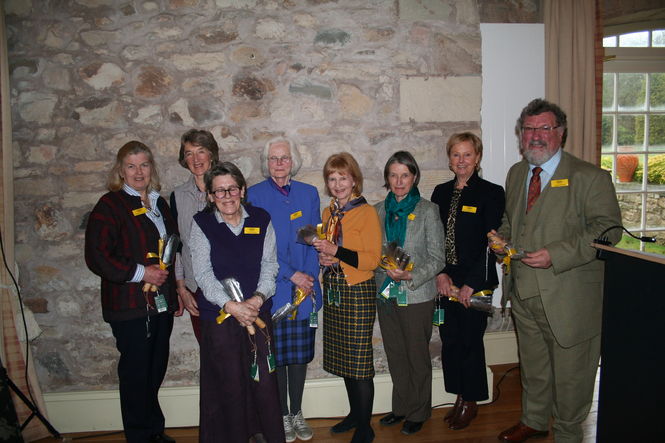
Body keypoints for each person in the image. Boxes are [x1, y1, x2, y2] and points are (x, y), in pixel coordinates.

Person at [494, 99, 621, 443]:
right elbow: (511, 220)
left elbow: (608, 229)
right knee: (534, 368)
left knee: (572, 377)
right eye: (529, 129)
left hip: (569, 298)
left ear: (560, 133)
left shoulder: (590, 177)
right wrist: (501, 238)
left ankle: (567, 434)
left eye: (544, 128)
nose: (535, 136)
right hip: (523, 293)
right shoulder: (517, 173)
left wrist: (556, 254)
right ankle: (534, 420)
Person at [85, 141, 179, 443]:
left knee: (154, 372)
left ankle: (154, 431)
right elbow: (97, 256)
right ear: (120, 171)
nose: (139, 172)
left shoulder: (159, 203)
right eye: (131, 165)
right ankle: (139, 437)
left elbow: (169, 251)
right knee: (136, 374)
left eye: (144, 164)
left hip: (160, 304)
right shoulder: (109, 205)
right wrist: (141, 272)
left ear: (152, 168)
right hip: (129, 307)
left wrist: (174, 292)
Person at [190, 162, 284, 443]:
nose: (227, 196)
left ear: (242, 190)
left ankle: (263, 434)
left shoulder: (261, 218)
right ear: (210, 196)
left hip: (257, 314)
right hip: (221, 319)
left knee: (263, 383)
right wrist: (232, 306)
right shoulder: (201, 224)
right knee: (228, 384)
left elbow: (270, 265)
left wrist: (256, 299)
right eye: (219, 191)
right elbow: (203, 275)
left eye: (232, 188)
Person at [247, 137, 322, 442]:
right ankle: (280, 415)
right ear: (266, 163)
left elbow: (317, 240)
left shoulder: (309, 193)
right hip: (276, 290)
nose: (279, 163)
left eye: (285, 158)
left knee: (300, 356)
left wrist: (311, 278)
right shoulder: (254, 195)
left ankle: (297, 412)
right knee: (278, 356)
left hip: (305, 290)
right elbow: (258, 246)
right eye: (274, 158)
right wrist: (292, 275)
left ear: (294, 161)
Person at [430, 132, 505, 430]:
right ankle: (459, 395)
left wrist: (473, 283)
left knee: (471, 340)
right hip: (447, 279)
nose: (461, 161)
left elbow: (492, 243)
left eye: (467, 155)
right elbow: (434, 241)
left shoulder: (491, 192)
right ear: (449, 159)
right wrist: (440, 273)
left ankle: (471, 400)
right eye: (456, 155)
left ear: (477, 157)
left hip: (478, 280)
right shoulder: (440, 192)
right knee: (450, 340)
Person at [312, 153, 381, 443]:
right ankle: (355, 415)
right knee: (344, 360)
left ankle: (366, 427)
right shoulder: (329, 213)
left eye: (343, 177)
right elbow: (331, 253)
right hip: (336, 290)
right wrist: (326, 260)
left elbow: (372, 260)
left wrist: (336, 252)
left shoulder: (366, 213)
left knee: (360, 362)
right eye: (332, 178)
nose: (338, 183)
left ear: (354, 179)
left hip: (358, 291)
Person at [374, 151, 445, 436]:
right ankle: (401, 406)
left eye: (405, 175)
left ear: (414, 177)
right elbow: (373, 251)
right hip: (386, 292)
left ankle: (418, 410)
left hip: (416, 294)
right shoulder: (378, 210)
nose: (399, 181)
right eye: (393, 175)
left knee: (416, 354)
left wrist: (410, 275)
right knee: (395, 353)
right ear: (387, 179)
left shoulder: (428, 210)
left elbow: (438, 257)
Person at [170, 129, 220, 343]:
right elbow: (177, 246)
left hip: (227, 284)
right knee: (208, 349)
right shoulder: (177, 196)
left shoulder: (227, 189)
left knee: (234, 350)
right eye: (189, 153)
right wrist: (181, 288)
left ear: (211, 155)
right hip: (195, 287)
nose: (196, 159)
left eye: (201, 151)